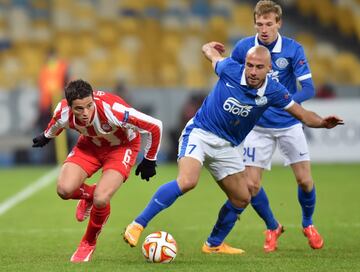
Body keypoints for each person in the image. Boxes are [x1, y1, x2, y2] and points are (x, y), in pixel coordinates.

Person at [122, 42, 343, 254]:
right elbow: (211, 54)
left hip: (228, 147)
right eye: (249, 65)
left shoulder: (275, 90)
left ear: (269, 69)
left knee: (241, 198)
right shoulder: (229, 69)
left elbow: (302, 114)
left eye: (258, 67)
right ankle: (137, 225)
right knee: (188, 181)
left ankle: (213, 244)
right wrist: (208, 47)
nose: (252, 71)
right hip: (201, 133)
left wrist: (323, 123)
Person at [210, 0, 325, 252]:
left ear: (278, 23)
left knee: (305, 181)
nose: (264, 29)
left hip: (288, 124)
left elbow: (308, 88)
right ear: (254, 23)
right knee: (250, 186)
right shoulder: (243, 48)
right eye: (260, 24)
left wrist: (282, 102)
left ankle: (308, 223)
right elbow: (233, 78)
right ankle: (272, 226)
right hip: (257, 127)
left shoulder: (293, 49)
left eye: (269, 24)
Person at [32, 79, 163, 262]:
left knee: (101, 199)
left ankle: (88, 243)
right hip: (90, 146)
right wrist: (46, 136)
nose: (85, 113)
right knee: (64, 190)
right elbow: (55, 125)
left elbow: (155, 126)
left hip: (121, 148)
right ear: (70, 107)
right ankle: (89, 196)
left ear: (93, 99)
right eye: (79, 109)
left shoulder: (113, 110)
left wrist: (150, 159)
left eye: (89, 106)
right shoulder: (62, 112)